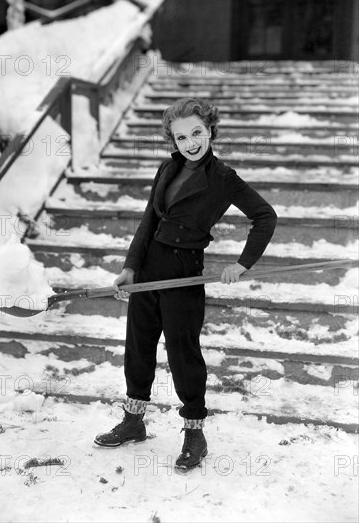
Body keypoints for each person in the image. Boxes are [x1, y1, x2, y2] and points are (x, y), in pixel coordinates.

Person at [94, 98, 277, 472]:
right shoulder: (167, 167)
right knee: (138, 345)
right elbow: (148, 219)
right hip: (148, 269)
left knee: (182, 353)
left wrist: (242, 264)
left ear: (210, 129)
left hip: (184, 271)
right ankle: (133, 421)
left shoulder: (223, 177)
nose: (191, 142)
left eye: (197, 132)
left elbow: (265, 216)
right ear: (172, 141)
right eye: (181, 136)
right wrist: (130, 266)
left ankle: (195, 433)